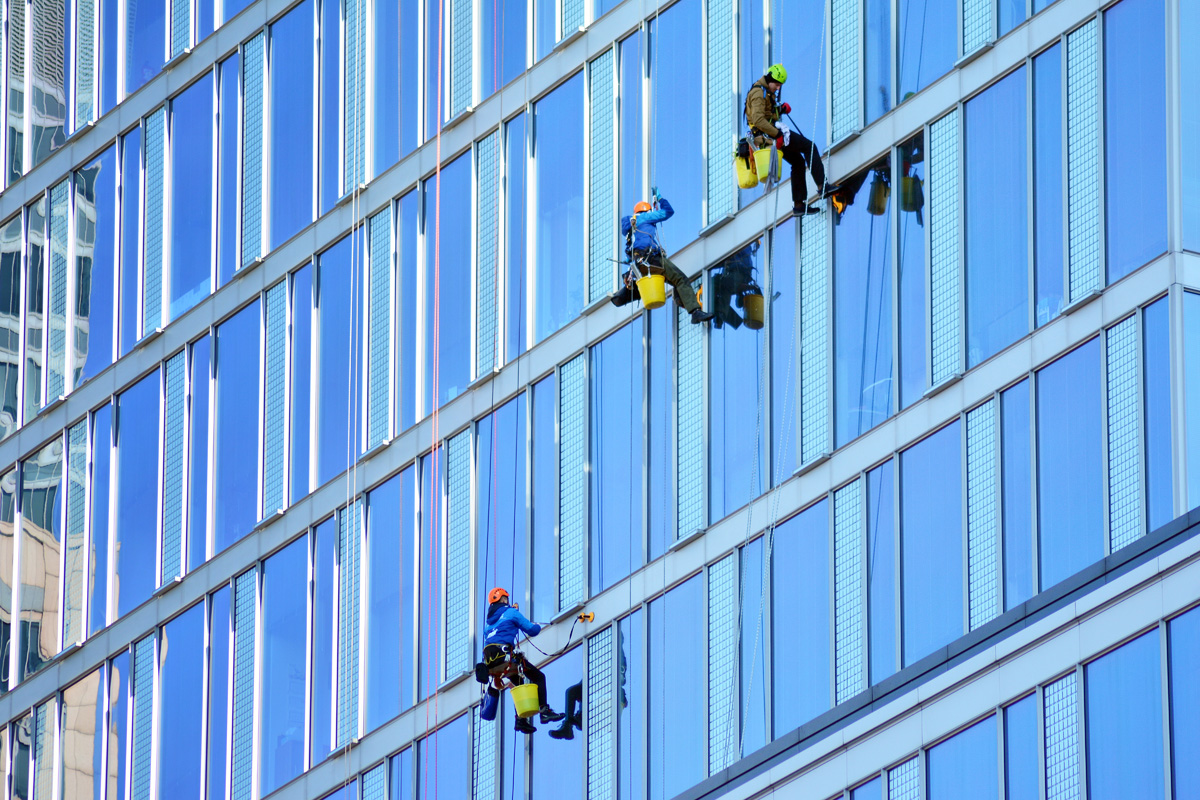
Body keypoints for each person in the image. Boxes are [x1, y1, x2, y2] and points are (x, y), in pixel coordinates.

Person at [744, 64, 839, 216]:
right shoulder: (758, 93)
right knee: (810, 147)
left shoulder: (765, 92)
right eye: (777, 84)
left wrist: (780, 109)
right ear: (770, 80)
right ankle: (822, 186)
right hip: (771, 135)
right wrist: (778, 134)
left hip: (769, 136)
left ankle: (799, 205)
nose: (778, 88)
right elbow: (759, 120)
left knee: (798, 162)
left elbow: (766, 114)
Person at [612, 196, 715, 325]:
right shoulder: (645, 217)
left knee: (675, 281)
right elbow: (668, 212)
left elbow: (629, 255)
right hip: (653, 260)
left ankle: (683, 302)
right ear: (647, 211)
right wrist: (660, 199)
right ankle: (695, 312)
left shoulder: (630, 230)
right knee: (680, 279)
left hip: (639, 266)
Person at [477, 587, 565, 734]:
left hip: (495, 665)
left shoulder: (487, 623)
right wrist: (535, 625)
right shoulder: (511, 612)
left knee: (518, 682)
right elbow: (532, 630)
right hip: (507, 660)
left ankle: (520, 720)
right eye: (506, 599)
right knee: (538, 677)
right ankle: (544, 711)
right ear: (504, 599)